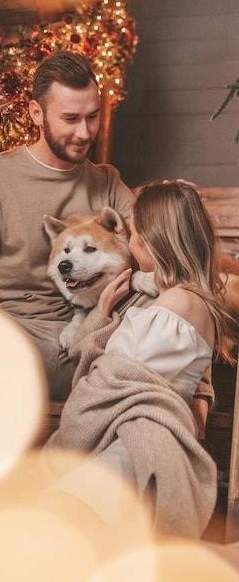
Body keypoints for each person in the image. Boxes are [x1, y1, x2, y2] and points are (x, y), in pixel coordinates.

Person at [0, 50, 214, 421]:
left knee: (183, 295)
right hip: (26, 338)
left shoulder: (107, 182)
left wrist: (201, 388)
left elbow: (170, 256)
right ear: (36, 113)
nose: (84, 132)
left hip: (104, 330)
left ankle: (182, 406)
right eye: (70, 119)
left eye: (92, 117)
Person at [43, 181, 237, 538]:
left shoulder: (176, 304)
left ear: (149, 240)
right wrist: (101, 312)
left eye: (131, 233)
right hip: (128, 435)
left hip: (134, 443)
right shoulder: (180, 298)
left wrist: (101, 321)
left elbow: (116, 381)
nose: (129, 242)